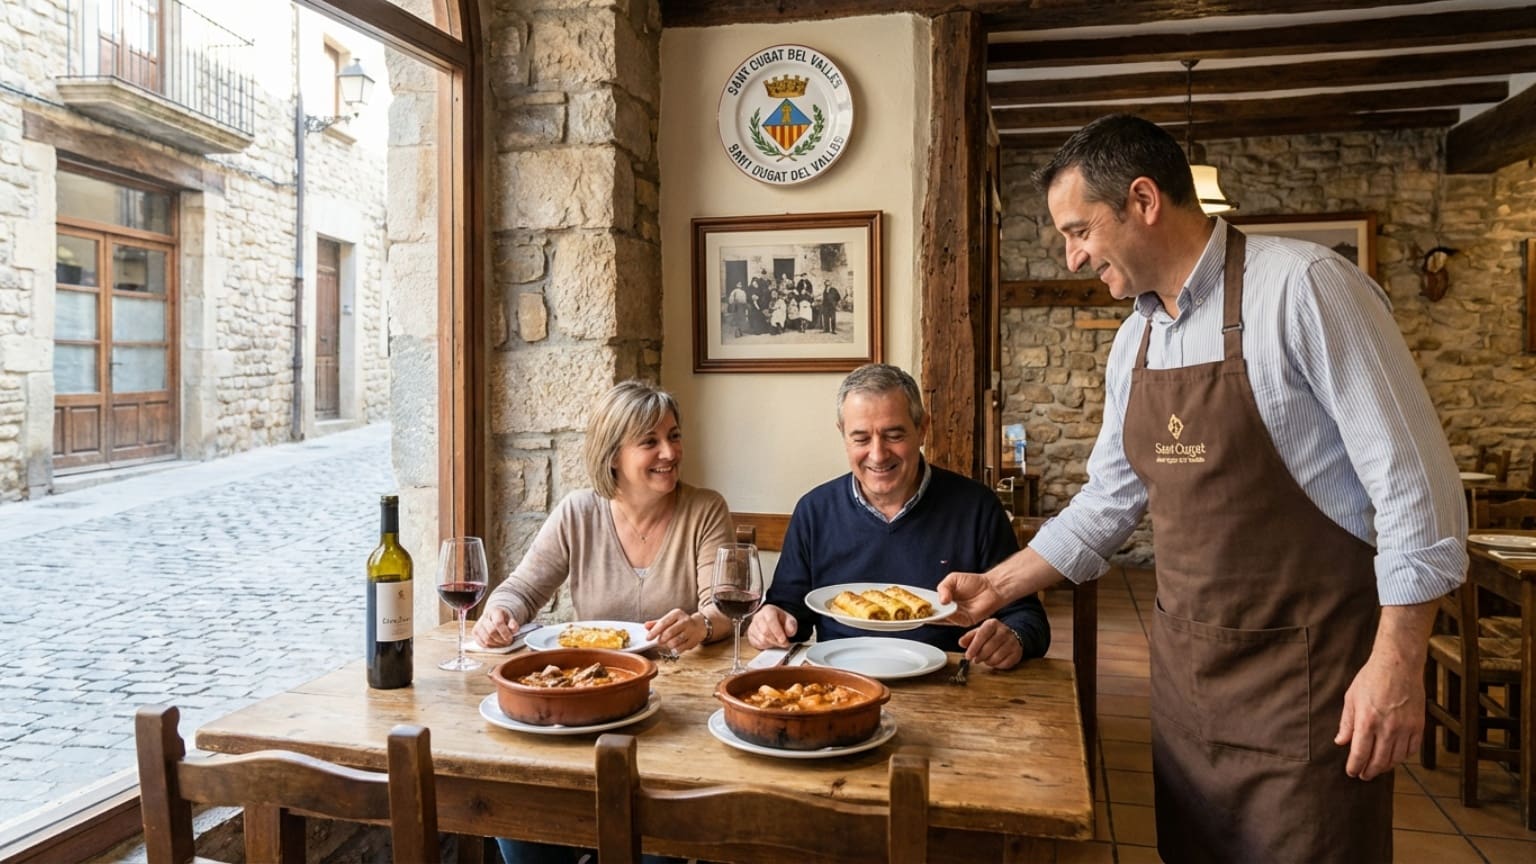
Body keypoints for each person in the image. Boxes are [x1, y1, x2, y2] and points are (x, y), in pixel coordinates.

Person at [937, 114, 1466, 862]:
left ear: (1144, 201)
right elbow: (1107, 502)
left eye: (1078, 229)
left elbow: (1419, 492)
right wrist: (996, 585)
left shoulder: (1306, 288)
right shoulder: (1136, 340)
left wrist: (1398, 663)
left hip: (1308, 688)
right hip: (1189, 686)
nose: (1072, 254)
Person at [473, 380, 733, 864]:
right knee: (522, 827)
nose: (669, 452)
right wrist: (498, 613)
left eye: (674, 436)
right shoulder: (578, 511)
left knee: (660, 845)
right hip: (583, 706)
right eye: (650, 442)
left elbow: (722, 608)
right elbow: (521, 589)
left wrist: (700, 625)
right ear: (613, 455)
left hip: (671, 718)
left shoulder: (704, 509)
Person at [748, 363, 1049, 668]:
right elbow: (789, 611)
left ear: (922, 429)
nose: (878, 454)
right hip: (842, 684)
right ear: (842, 434)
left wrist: (1013, 637)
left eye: (893, 435)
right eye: (861, 438)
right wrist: (770, 620)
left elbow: (1027, 617)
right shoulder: (814, 510)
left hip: (948, 685)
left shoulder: (977, 508)